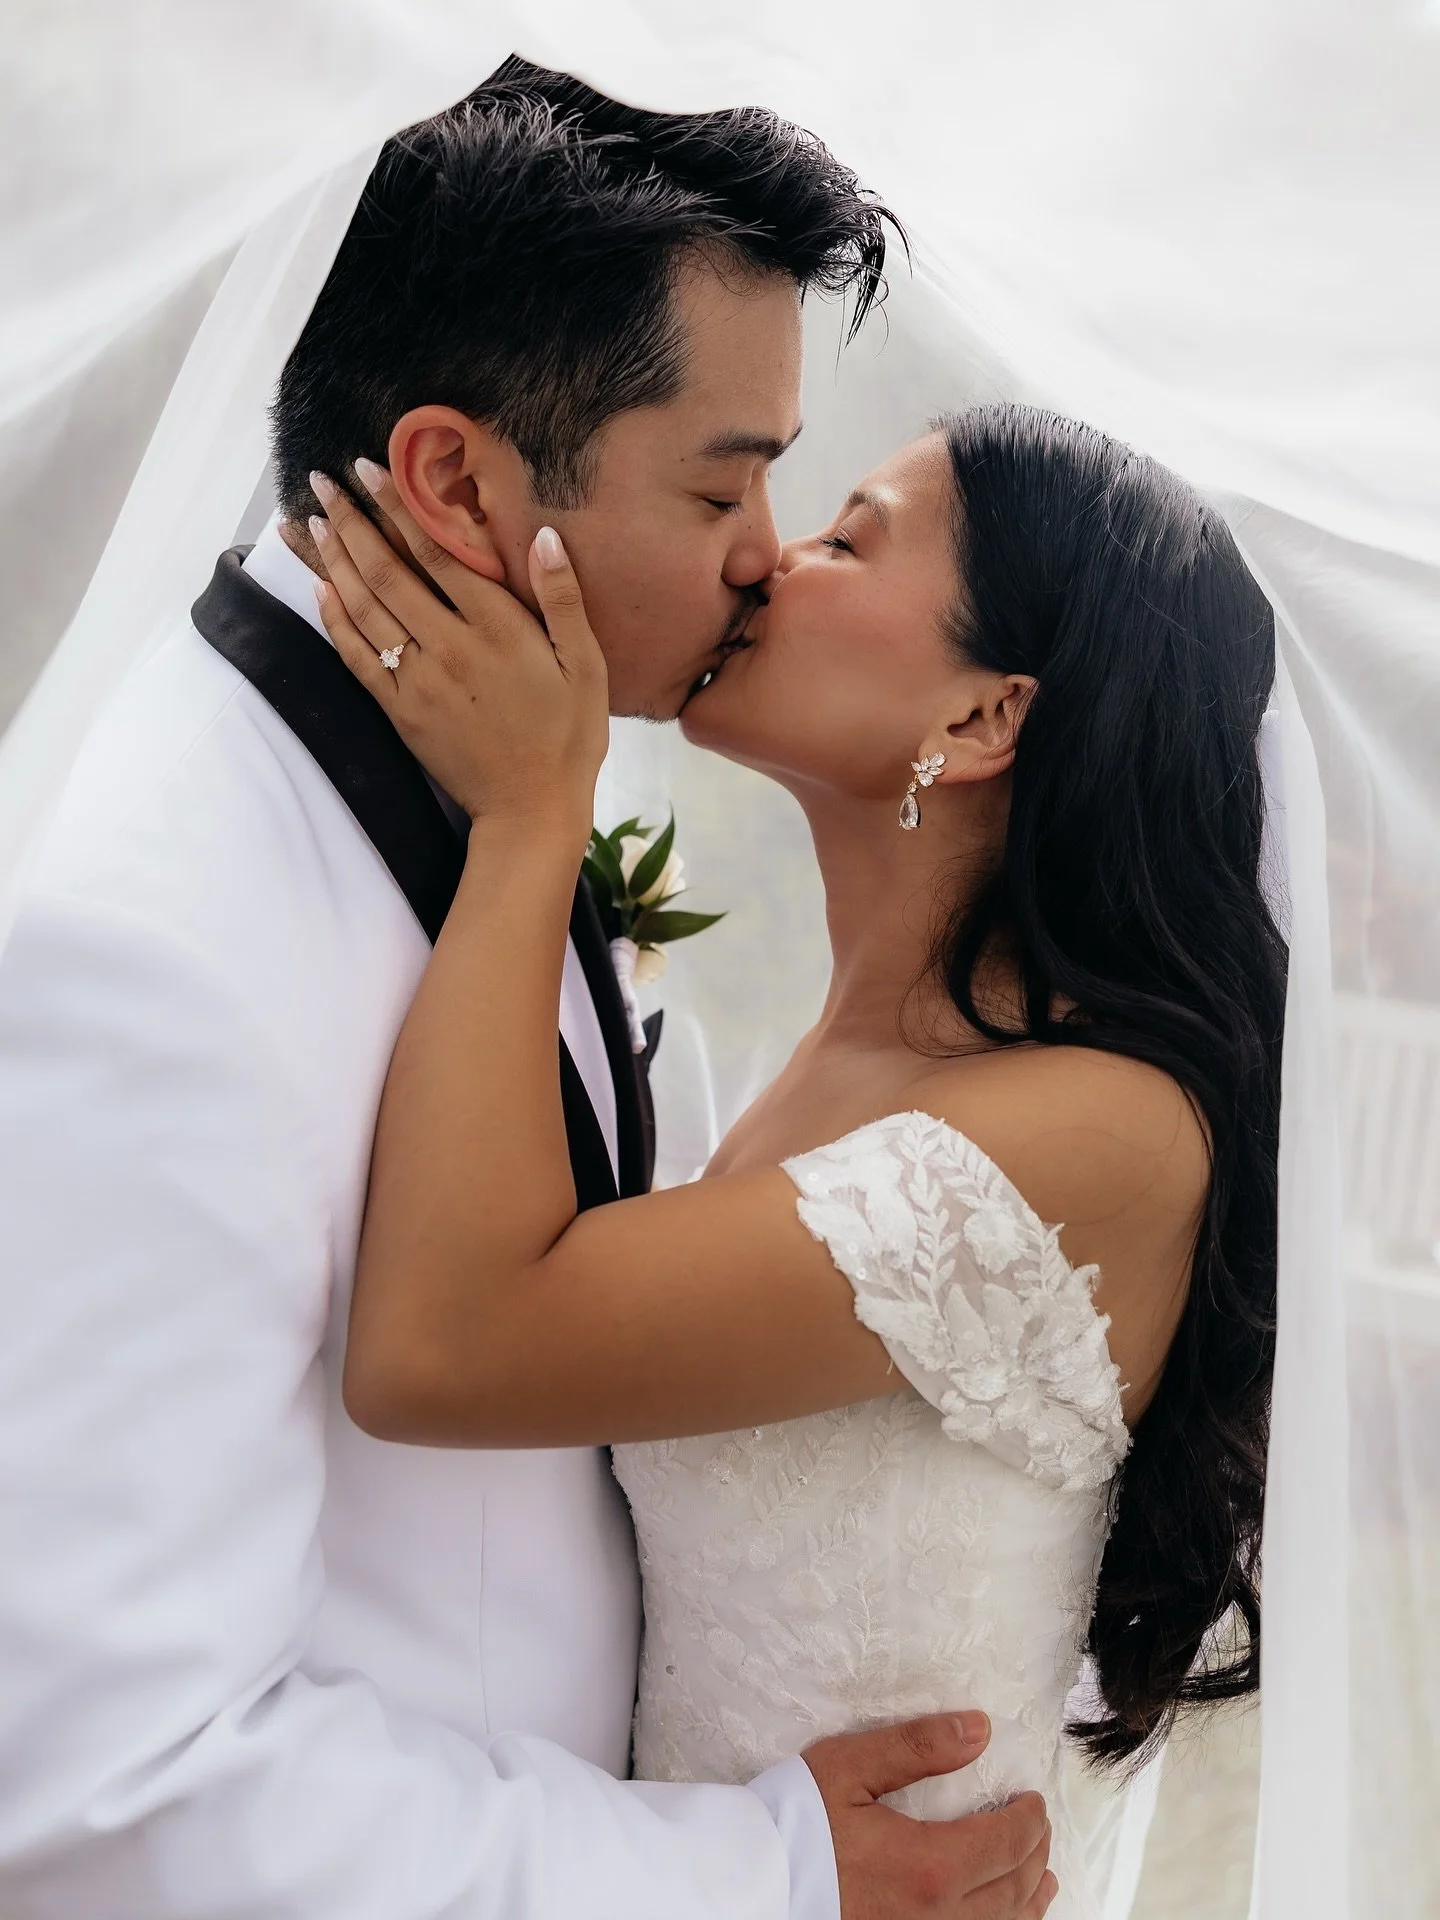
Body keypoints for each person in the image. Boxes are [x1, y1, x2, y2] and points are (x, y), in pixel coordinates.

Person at [0, 58, 1057, 1920]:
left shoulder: (505, 773)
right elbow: (112, 1791)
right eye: (724, 479)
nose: (766, 555)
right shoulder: (146, 954)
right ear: (452, 481)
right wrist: (755, 1880)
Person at [305, 401, 1286, 1920]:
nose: (767, 557)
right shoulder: (833, 1074)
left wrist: (528, 815)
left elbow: (450, 1343)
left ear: (978, 721)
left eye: (847, 538)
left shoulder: (1099, 1131)